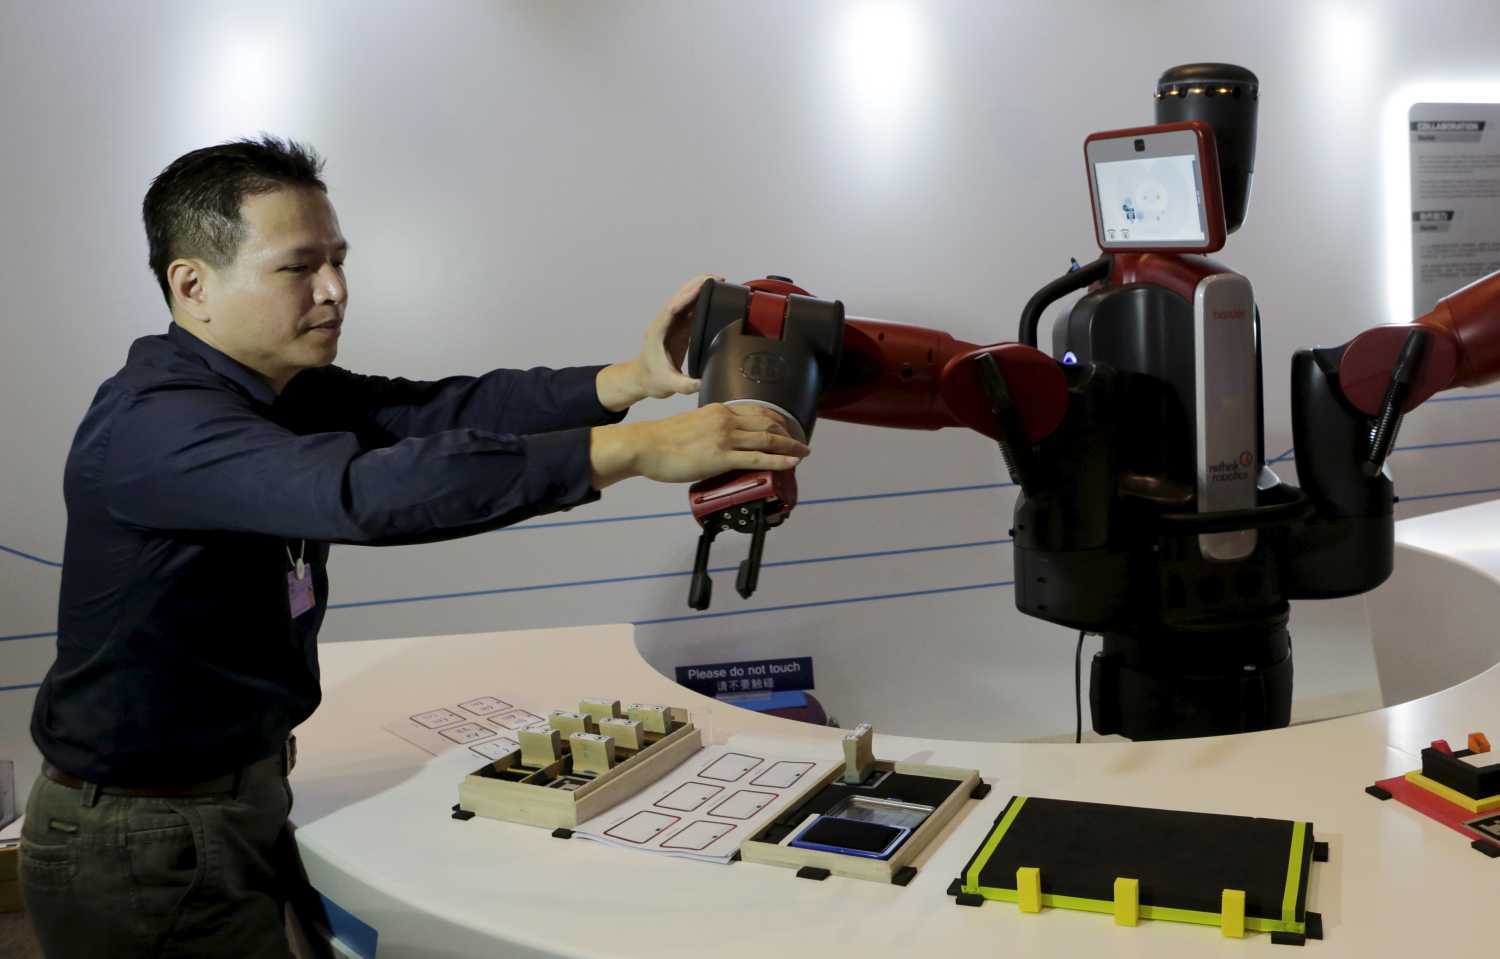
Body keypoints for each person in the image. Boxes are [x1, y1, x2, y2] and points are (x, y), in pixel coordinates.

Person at [19, 136, 807, 957]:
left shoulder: (278, 391)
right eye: (299, 267)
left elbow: (439, 412)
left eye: (338, 260)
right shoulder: (157, 424)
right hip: (143, 839)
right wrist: (637, 449)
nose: (335, 290)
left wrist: (629, 380)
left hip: (222, 801)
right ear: (193, 285)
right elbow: (364, 493)